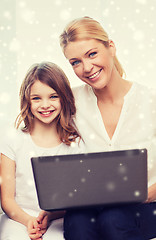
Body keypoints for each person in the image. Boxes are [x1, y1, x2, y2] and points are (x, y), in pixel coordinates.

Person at [59, 16, 156, 240]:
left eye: (92, 54)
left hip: (148, 202)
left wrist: (143, 196)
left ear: (110, 47)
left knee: (113, 219)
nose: (86, 68)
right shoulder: (71, 102)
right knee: (77, 221)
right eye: (75, 62)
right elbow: (37, 130)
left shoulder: (150, 101)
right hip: (95, 203)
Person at [0, 62, 84, 240]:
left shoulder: (76, 143)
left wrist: (49, 215)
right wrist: (28, 220)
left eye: (53, 96)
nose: (45, 105)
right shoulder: (12, 140)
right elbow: (7, 200)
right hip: (18, 219)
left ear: (64, 98)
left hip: (59, 219)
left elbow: (77, 197)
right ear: (27, 101)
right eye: (36, 98)